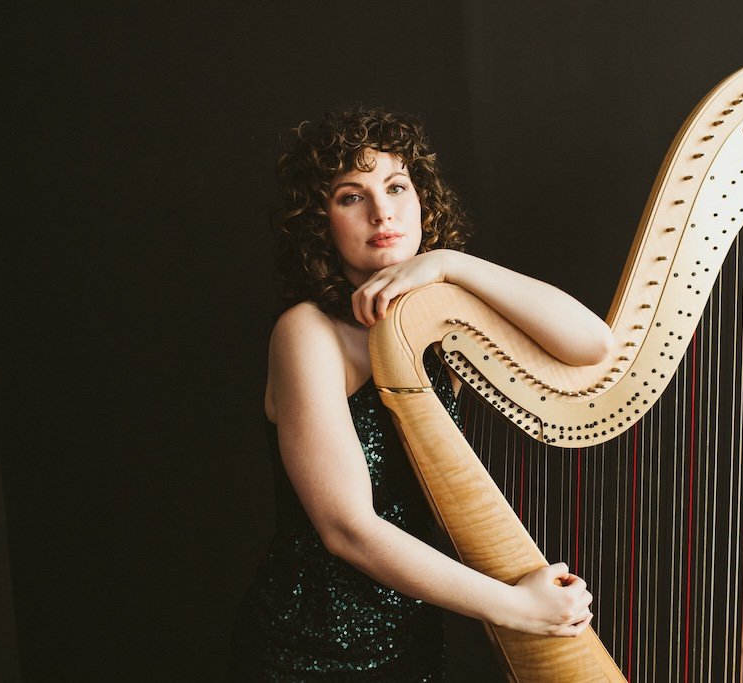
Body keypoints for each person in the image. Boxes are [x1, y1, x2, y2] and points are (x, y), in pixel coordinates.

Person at [229, 107, 614, 681]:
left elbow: (592, 344)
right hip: (311, 649)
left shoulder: (437, 317)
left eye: (396, 187)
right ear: (320, 222)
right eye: (350, 196)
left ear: (423, 202)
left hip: (412, 639)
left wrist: (450, 264)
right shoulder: (308, 332)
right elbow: (346, 528)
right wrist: (516, 607)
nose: (382, 211)